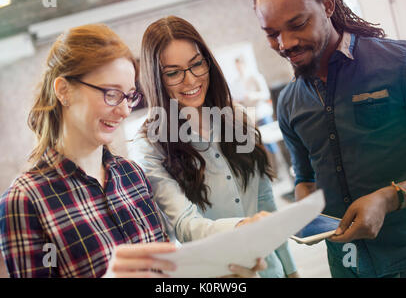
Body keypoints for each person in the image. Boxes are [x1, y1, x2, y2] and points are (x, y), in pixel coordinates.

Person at [0, 24, 264, 278]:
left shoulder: (131, 175)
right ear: (64, 90)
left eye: (130, 96)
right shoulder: (24, 202)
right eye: (112, 94)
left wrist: (222, 272)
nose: (124, 110)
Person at [253, 0, 406, 278]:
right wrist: (305, 210)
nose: (285, 43)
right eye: (272, 34)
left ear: (328, 5)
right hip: (348, 267)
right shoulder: (289, 103)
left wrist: (388, 198)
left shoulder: (405, 65)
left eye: (297, 24)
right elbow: (305, 179)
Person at [128, 16, 299, 278]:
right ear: (155, 78)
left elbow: (264, 201)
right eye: (173, 73)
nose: (191, 80)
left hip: (270, 271)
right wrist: (242, 227)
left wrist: (290, 269)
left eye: (197, 64)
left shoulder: (236, 116)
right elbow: (184, 224)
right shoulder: (150, 144)